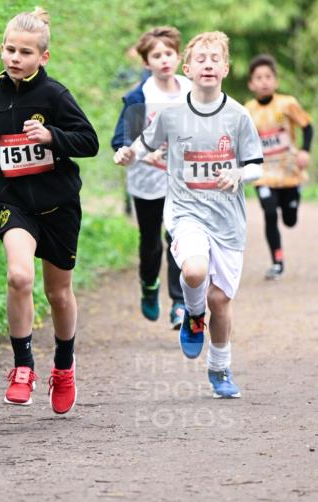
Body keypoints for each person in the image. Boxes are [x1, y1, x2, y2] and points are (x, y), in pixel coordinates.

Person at [0, 8, 98, 414]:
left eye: (26, 52)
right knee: (18, 276)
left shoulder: (55, 96)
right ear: (2, 49)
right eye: (10, 49)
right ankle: (22, 367)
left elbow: (89, 141)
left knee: (58, 293)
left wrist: (52, 135)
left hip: (59, 205)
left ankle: (64, 368)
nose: (16, 58)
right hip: (15, 201)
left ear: (43, 57)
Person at [114, 31, 263, 399]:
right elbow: (143, 142)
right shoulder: (172, 114)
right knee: (194, 271)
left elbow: (257, 165)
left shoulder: (239, 115)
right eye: (201, 59)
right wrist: (126, 153)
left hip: (228, 220)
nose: (208, 64)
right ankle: (192, 316)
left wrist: (238, 173)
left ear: (226, 68)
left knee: (220, 301)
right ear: (188, 68)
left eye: (216, 59)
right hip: (185, 213)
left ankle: (220, 367)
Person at [111, 26, 190, 328]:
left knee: (177, 238)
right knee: (151, 241)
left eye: (168, 53)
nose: (164, 60)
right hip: (146, 181)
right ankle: (148, 284)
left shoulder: (189, 90)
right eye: (157, 55)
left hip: (182, 181)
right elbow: (122, 136)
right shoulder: (139, 96)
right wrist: (124, 151)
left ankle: (179, 303)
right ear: (147, 63)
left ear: (178, 56)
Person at [245, 53, 313, 279]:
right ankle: (277, 261)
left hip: (289, 171)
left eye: (268, 76)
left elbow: (307, 126)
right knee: (270, 213)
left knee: (290, 220)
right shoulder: (247, 110)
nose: (264, 81)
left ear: (275, 81)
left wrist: (305, 150)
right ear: (251, 83)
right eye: (259, 77)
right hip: (263, 172)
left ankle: (295, 197)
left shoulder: (287, 103)